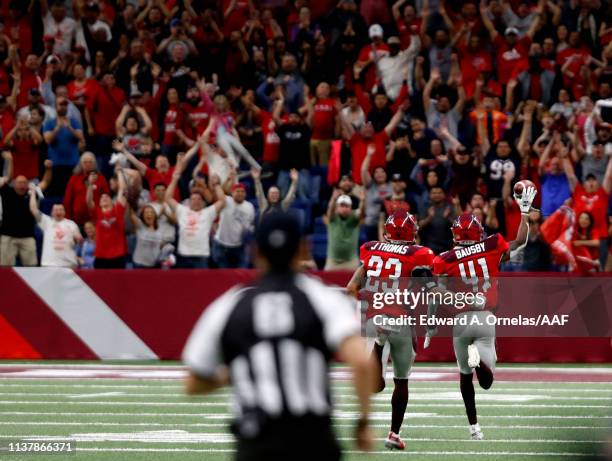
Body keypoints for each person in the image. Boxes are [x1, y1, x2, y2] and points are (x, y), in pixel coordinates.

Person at [182, 212, 374, 461]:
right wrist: (363, 422)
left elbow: (193, 382)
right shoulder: (322, 298)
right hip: (313, 439)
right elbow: (361, 362)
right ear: (303, 251)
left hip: (257, 442)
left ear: (255, 252)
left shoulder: (230, 304)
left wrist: (239, 372)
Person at [432, 185, 537, 440]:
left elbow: (437, 292)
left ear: (455, 235)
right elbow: (521, 241)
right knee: (487, 382)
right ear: (479, 232)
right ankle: (477, 358)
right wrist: (524, 212)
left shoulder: (445, 258)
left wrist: (436, 317)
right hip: (484, 317)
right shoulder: (491, 246)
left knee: (465, 377)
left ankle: (474, 427)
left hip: (460, 321)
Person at [346, 208, 436, 450]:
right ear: (411, 232)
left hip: (374, 319)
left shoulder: (370, 248)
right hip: (401, 321)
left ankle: (377, 346)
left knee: (374, 385)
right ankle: (394, 434)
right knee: (402, 380)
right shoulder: (420, 253)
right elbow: (429, 285)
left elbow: (351, 287)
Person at [165, 160, 226, 268]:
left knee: (201, 284)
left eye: (199, 199)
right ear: (189, 201)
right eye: (193, 199)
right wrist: (174, 179)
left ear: (203, 202)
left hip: (201, 256)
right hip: (183, 255)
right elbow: (168, 197)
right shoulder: (182, 210)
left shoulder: (208, 213)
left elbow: (222, 201)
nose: (196, 201)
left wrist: (216, 185)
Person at [29, 187, 82, 268]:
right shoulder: (47, 222)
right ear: (52, 212)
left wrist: (78, 238)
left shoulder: (71, 224)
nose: (58, 212)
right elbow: (33, 209)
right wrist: (33, 193)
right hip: (50, 264)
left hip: (68, 264)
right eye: (56, 210)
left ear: (64, 212)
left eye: (61, 210)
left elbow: (78, 237)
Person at [86, 168, 128, 269]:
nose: (104, 198)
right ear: (99, 203)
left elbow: (122, 190)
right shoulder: (97, 213)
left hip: (118, 255)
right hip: (101, 255)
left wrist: (119, 172)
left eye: (107, 197)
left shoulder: (118, 210)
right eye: (101, 198)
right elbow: (88, 201)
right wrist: (90, 184)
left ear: (112, 201)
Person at [212, 181, 255, 268]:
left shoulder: (249, 206)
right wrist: (216, 184)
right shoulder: (227, 201)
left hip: (239, 246)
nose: (240, 194)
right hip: (221, 245)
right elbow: (220, 193)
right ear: (232, 193)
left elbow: (250, 224)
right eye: (237, 191)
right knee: (223, 276)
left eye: (242, 191)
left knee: (241, 275)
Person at [324, 190, 364, 270]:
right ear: (337, 207)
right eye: (341, 206)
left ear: (350, 208)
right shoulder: (332, 218)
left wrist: (362, 201)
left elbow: (361, 213)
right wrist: (333, 199)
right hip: (332, 262)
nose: (344, 208)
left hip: (351, 262)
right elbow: (330, 211)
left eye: (347, 206)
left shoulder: (354, 218)